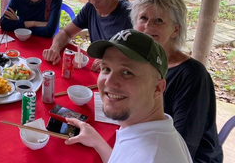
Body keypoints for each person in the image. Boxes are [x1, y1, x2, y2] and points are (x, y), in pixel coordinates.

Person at [66, 29, 193, 163]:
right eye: (106, 69)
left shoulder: (152, 157)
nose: (109, 82)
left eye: (127, 72)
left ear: (157, 88)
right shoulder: (153, 132)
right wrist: (98, 142)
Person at [130, 0, 223, 163]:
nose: (148, 26)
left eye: (159, 20)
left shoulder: (192, 76)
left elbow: (183, 145)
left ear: (175, 30)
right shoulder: (141, 62)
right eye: (143, 18)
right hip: (150, 142)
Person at [42, 0, 132, 69]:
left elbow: (141, 57)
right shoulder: (90, 8)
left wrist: (111, 61)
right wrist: (55, 48)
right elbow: (66, 32)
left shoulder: (129, 14)